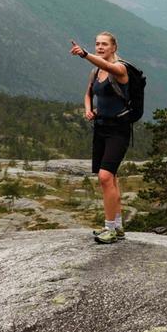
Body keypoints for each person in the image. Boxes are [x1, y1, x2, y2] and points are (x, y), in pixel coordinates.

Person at [70, 31, 129, 244]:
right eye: (97, 44)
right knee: (111, 178)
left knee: (105, 177)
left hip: (119, 130)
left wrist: (84, 54)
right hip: (101, 128)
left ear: (114, 47)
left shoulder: (120, 69)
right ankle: (119, 227)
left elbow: (110, 67)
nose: (100, 47)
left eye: (104, 44)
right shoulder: (95, 72)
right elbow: (88, 93)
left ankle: (109, 228)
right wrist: (88, 109)